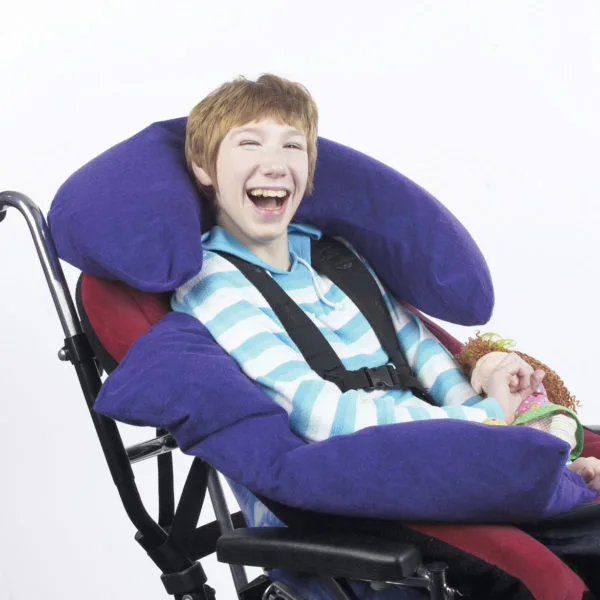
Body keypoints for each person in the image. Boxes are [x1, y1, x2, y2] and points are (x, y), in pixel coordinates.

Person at [168, 74, 600, 597]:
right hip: (352, 495)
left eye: (292, 145)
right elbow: (319, 415)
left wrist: (494, 422)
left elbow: (421, 350)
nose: (275, 161)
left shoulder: (336, 257)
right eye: (249, 142)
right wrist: (484, 423)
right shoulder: (212, 281)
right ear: (203, 167)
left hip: (442, 458)